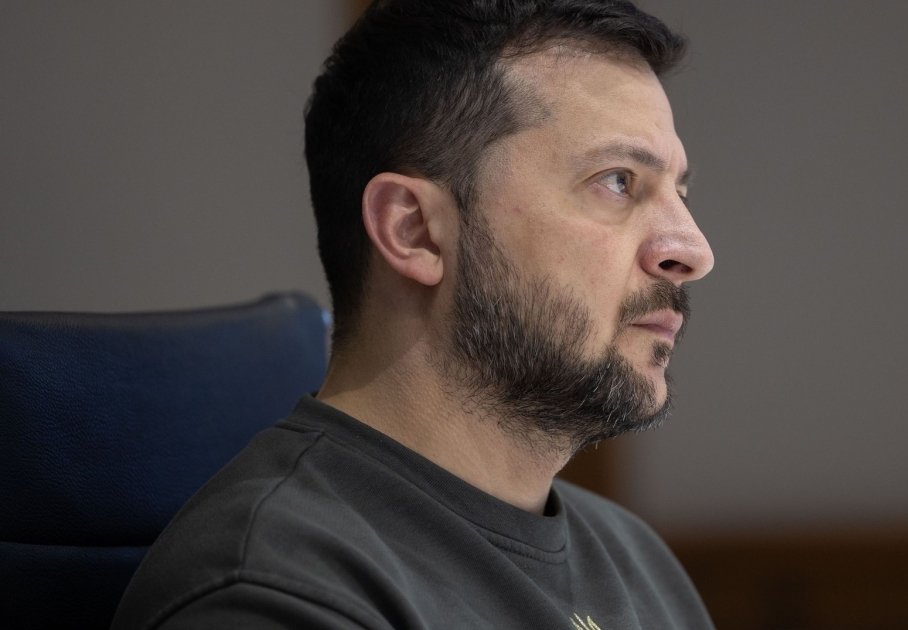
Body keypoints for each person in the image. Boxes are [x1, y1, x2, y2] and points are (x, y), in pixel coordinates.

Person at [113, 0, 715, 627]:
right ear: (415, 231)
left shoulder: (638, 562)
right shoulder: (276, 590)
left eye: (680, 192)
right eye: (618, 181)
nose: (694, 251)